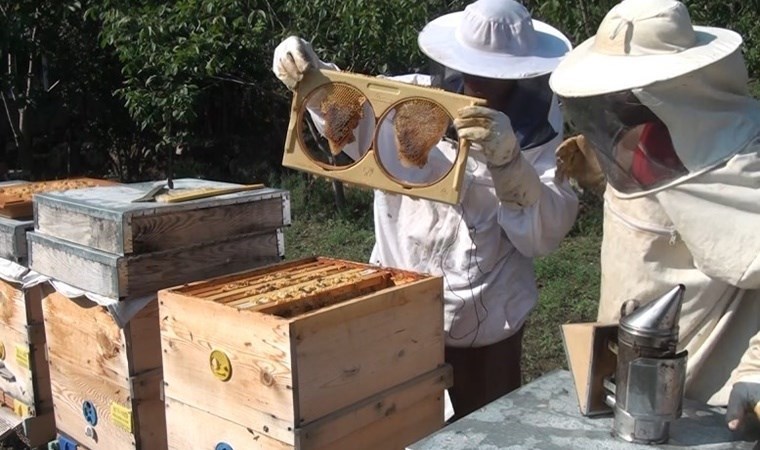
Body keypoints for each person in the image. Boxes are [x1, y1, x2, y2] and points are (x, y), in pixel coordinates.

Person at [272, 0, 578, 420]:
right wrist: (313, 75)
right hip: (398, 303)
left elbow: (543, 233)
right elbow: (351, 116)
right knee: (398, 424)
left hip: (486, 325)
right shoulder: (409, 97)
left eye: (495, 72)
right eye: (474, 66)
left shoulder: (544, 134)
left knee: (486, 434)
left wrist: (510, 163)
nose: (480, 79)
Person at [549, 0, 760, 436]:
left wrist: (757, 369)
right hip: (623, 362)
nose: (617, 103)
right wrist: (601, 162)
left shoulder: (744, 160)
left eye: (629, 92)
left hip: (711, 396)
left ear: (675, 85)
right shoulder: (640, 133)